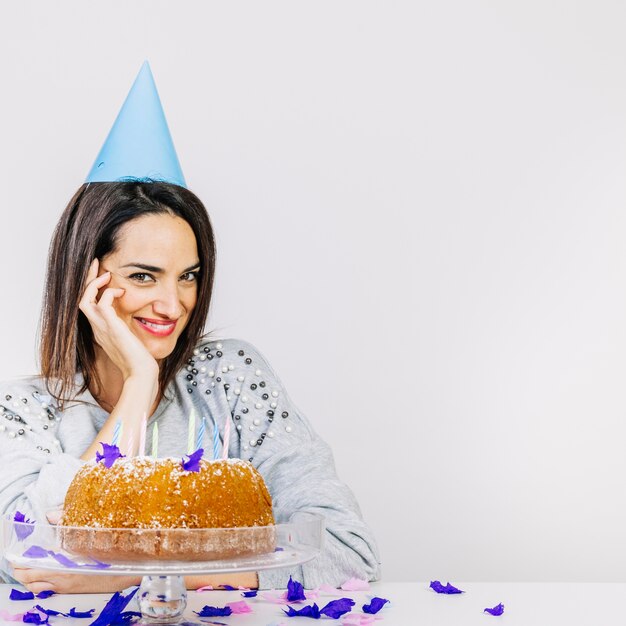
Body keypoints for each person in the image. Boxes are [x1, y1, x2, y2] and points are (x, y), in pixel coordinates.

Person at [0, 64, 380, 594]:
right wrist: (138, 385)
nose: (172, 303)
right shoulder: (25, 412)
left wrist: (143, 576)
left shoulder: (232, 379)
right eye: (142, 276)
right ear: (85, 277)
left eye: (188, 277)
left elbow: (349, 554)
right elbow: (21, 557)